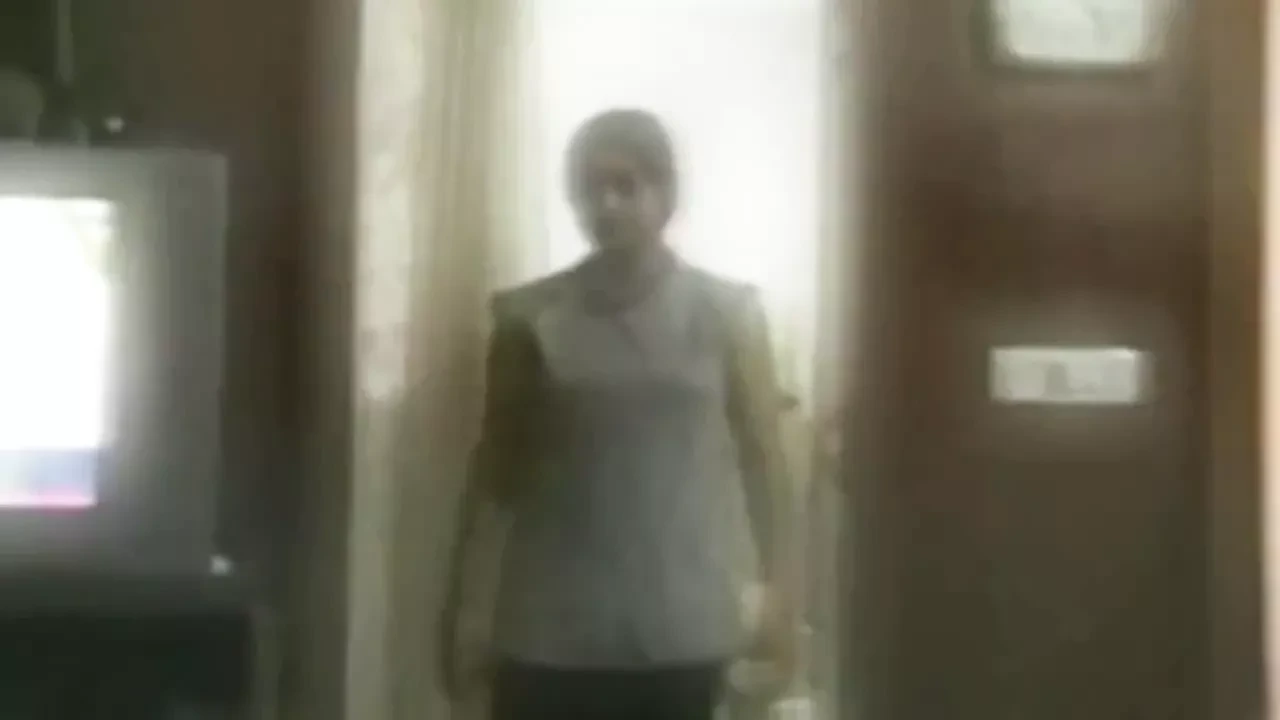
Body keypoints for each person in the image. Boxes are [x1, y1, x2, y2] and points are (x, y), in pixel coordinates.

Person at [437, 108, 795, 720]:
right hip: (551, 627)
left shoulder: (727, 315)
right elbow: (494, 471)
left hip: (682, 623)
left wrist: (782, 600)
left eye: (625, 186)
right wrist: (462, 606)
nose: (607, 205)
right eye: (590, 189)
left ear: (665, 195)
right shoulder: (530, 316)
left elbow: (765, 466)